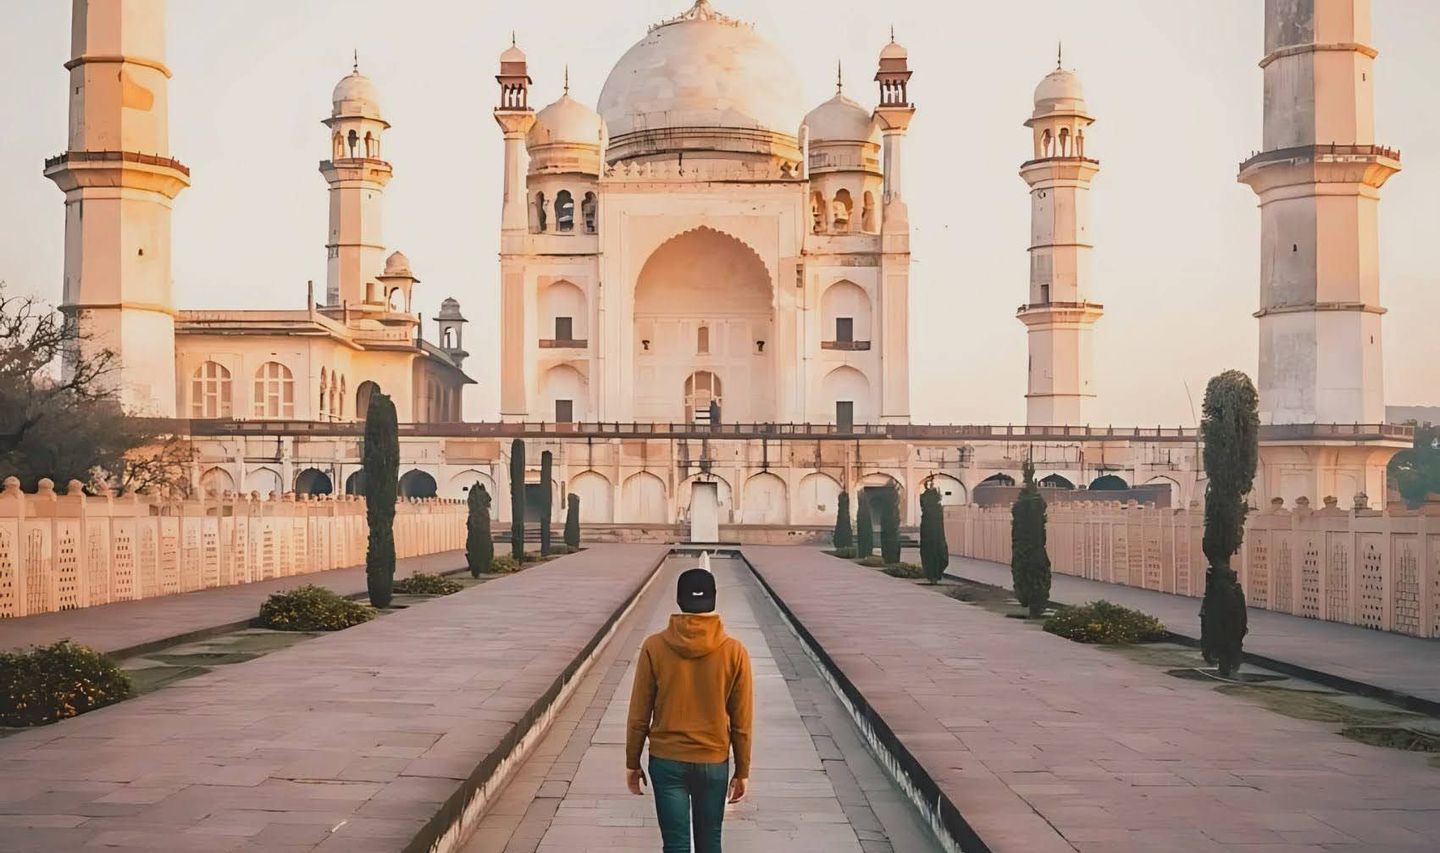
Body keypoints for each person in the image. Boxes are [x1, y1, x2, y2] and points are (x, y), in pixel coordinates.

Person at [625, 559, 753, 852]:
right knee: (710, 843)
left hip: (667, 760)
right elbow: (742, 720)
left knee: (675, 845)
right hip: (713, 760)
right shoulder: (735, 651)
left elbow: (639, 713)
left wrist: (633, 762)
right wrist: (742, 770)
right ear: (714, 600)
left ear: (679, 601)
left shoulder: (654, 647)